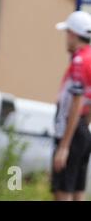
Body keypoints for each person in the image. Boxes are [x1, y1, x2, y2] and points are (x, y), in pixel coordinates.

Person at [52, 10, 91, 201]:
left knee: (63, 189)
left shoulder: (78, 61)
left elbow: (76, 102)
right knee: (78, 190)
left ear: (73, 34)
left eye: (67, 33)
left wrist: (64, 146)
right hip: (83, 128)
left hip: (71, 129)